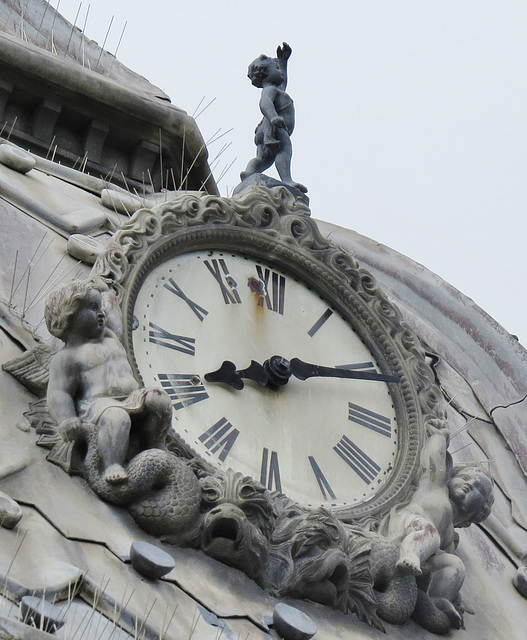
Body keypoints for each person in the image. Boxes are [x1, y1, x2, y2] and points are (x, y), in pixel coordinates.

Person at [45, 279, 172, 484]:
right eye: (93, 308)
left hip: (132, 398)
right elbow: (59, 393)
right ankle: (112, 463)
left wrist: (106, 291)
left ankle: (155, 444)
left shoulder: (111, 336)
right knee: (116, 417)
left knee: (159, 400)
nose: (101, 313)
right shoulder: (67, 357)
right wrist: (67, 419)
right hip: (99, 404)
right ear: (68, 316)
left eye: (100, 307)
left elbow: (113, 312)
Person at [386, 418, 493, 622]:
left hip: (427, 546)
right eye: (464, 478)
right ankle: (409, 555)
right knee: (430, 534)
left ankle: (434, 601)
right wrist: (440, 436)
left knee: (455, 564)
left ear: (479, 512)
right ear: (451, 478)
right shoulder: (437, 485)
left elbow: (445, 560)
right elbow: (435, 459)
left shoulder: (450, 535)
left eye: (478, 488)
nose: (469, 484)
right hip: (406, 522)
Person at [240, 42, 307, 193]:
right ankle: (287, 179)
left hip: (266, 128)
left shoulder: (278, 89)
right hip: (274, 126)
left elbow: (284, 81)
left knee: (264, 159)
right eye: (276, 68)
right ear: (265, 73)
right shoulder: (270, 90)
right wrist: (274, 117)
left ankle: (249, 173)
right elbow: (265, 103)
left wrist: (283, 61)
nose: (280, 72)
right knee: (284, 149)